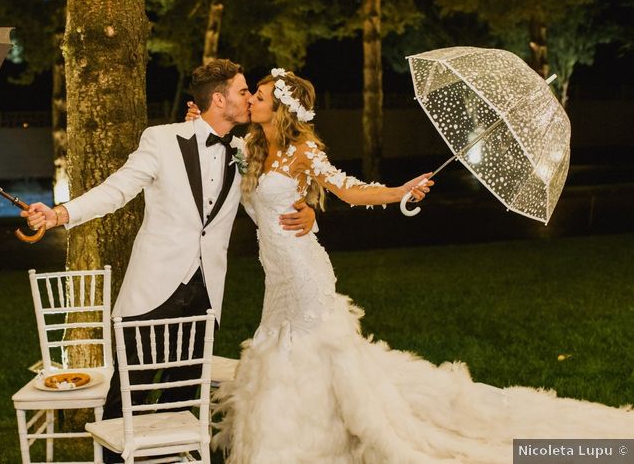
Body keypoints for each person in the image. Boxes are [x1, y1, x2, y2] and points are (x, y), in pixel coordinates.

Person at [186, 68, 634, 463]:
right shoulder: (253, 146)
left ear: (280, 109)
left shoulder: (304, 151)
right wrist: (196, 126)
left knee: (311, 352)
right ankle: (287, 434)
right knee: (277, 350)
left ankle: (311, 445)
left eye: (259, 96)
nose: (251, 101)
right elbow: (226, 170)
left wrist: (401, 190)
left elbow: (350, 190)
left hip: (303, 270)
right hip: (276, 273)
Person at [22, 59, 316, 462]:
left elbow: (262, 204)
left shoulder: (241, 151)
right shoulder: (161, 140)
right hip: (151, 292)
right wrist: (60, 214)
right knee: (127, 399)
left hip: (204, 295)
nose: (250, 98)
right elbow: (117, 190)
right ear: (219, 98)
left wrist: (308, 212)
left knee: (180, 401)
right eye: (244, 91)